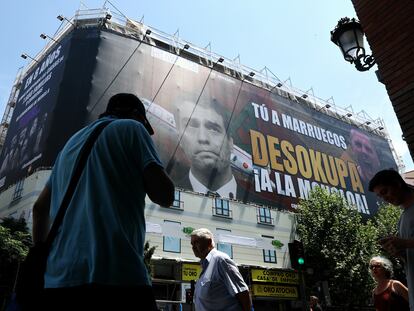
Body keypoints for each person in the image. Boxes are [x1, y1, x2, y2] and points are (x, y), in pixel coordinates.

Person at [32, 93, 175, 310]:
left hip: (58, 281)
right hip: (117, 275)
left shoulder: (69, 146)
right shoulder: (133, 128)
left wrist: (42, 254)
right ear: (137, 116)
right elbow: (165, 196)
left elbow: (39, 209)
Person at [174, 98, 241, 199]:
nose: (202, 138)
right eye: (192, 126)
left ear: (230, 143)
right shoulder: (166, 196)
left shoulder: (265, 203)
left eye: (213, 128)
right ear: (180, 139)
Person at [369, 169, 414, 311]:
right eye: (380, 196)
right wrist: (399, 252)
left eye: (385, 192)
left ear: (397, 184)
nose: (385, 198)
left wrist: (404, 243)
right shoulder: (401, 219)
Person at [190, 228, 251, 311]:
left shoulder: (220, 260)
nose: (193, 247)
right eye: (192, 244)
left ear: (208, 242)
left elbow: (243, 293)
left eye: (196, 242)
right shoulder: (206, 266)